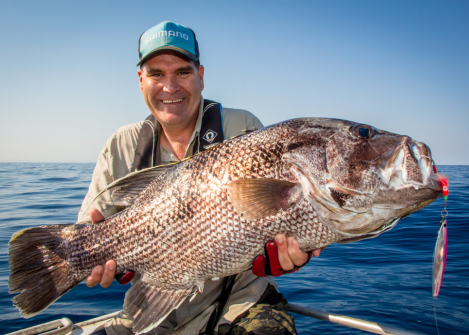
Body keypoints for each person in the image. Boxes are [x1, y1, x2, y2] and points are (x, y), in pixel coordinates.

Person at [79, 21, 325, 335]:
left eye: (182, 72)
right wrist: (107, 267)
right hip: (154, 308)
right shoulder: (121, 144)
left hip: (241, 304)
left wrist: (293, 252)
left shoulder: (243, 127)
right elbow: (92, 231)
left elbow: (284, 215)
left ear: (201, 76)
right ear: (141, 81)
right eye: (156, 74)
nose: (170, 87)